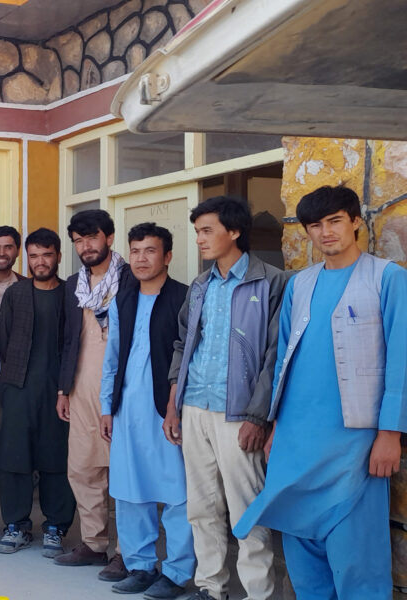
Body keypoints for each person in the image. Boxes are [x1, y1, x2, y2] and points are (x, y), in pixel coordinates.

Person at [235, 185, 407, 599]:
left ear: (355, 222)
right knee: (301, 550)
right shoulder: (300, 284)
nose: (325, 232)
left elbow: (401, 360)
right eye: (315, 225)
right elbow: (283, 360)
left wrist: (390, 433)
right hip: (296, 440)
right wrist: (275, 426)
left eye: (334, 221)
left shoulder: (388, 278)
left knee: (356, 557)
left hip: (355, 440)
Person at [164, 196, 286, 600]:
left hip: (239, 414)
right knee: (201, 506)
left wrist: (258, 416)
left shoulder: (271, 282)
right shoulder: (200, 285)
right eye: (197, 231)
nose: (199, 239)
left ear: (234, 231)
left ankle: (258, 593)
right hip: (195, 406)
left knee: (247, 509)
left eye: (207, 231)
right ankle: (210, 587)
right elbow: (183, 344)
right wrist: (174, 405)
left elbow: (275, 356)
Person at [98, 223, 192, 599]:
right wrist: (106, 406)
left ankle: (177, 572)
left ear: (167, 256)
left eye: (150, 251)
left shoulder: (185, 298)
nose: (141, 259)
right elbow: (112, 357)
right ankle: (139, 566)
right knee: (130, 490)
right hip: (127, 410)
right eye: (135, 251)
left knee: (177, 492)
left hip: (167, 412)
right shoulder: (123, 299)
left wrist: (177, 408)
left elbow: (189, 359)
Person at [54, 209, 127, 580]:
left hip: (124, 391)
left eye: (92, 238)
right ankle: (94, 544)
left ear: (109, 238)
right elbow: (69, 338)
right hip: (81, 386)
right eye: (78, 241)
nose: (85, 246)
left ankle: (128, 552)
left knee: (125, 473)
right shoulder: (74, 285)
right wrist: (63, 388)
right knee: (83, 468)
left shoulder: (131, 279)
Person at [0, 228, 74, 558]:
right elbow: (4, 342)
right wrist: (11, 384)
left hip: (59, 392)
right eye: (34, 255)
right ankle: (16, 525)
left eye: (47, 255)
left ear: (58, 256)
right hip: (18, 389)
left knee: (57, 459)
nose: (40, 262)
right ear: (27, 258)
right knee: (14, 458)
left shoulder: (70, 294)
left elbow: (75, 343)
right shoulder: (16, 294)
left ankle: (56, 527)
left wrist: (66, 387)